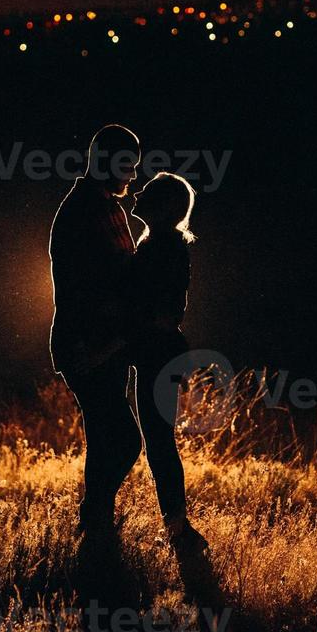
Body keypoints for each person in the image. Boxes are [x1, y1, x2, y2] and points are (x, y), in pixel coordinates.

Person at [49, 125, 142, 539]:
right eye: (126, 165)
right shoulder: (83, 211)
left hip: (106, 343)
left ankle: (97, 526)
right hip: (89, 344)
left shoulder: (108, 208)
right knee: (122, 439)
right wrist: (99, 346)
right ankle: (94, 519)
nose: (131, 175)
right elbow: (81, 288)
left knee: (107, 438)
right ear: (104, 160)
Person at [126, 172, 208, 552]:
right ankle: (178, 528)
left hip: (160, 354)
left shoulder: (164, 248)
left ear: (165, 207)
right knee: (159, 442)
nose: (137, 193)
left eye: (149, 192)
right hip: (162, 354)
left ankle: (179, 529)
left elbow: (164, 312)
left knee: (159, 442)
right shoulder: (162, 244)